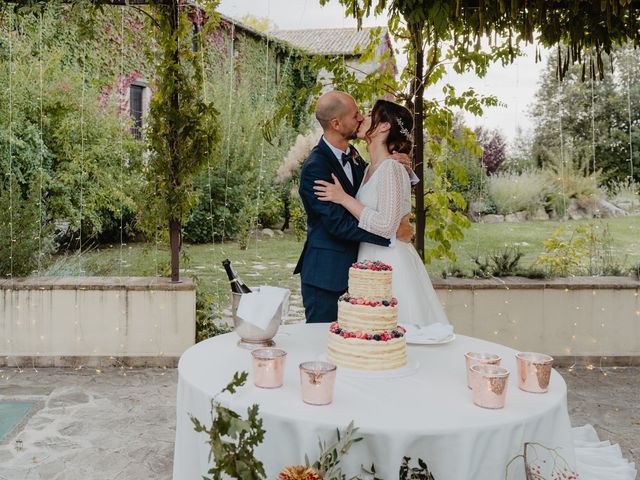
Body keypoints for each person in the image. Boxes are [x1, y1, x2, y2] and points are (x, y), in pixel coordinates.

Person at [313, 99, 449, 326]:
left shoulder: (391, 167)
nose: (361, 119)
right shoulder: (367, 167)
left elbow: (386, 226)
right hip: (368, 259)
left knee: (389, 330)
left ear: (384, 126)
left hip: (389, 261)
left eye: (368, 115)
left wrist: (343, 198)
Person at [294, 91, 414, 324]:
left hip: (362, 273)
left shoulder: (358, 158)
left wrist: (405, 171)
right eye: (356, 114)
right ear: (336, 124)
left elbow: (380, 189)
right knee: (326, 345)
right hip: (327, 276)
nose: (361, 118)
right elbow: (338, 223)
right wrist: (390, 234)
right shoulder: (316, 167)